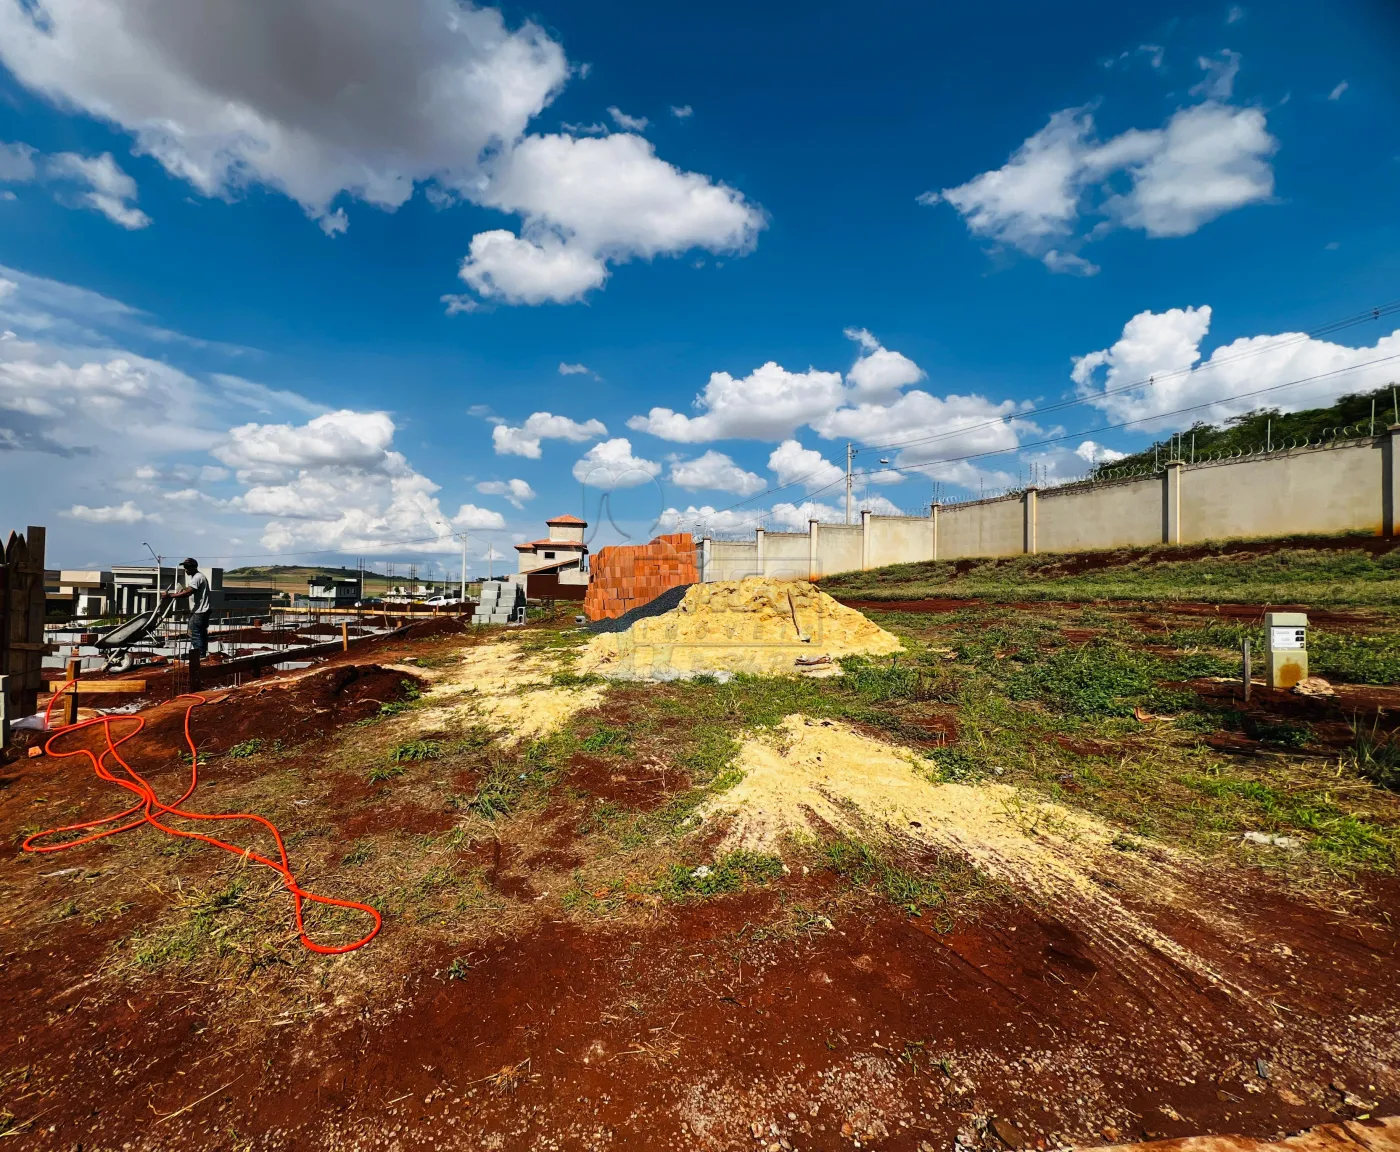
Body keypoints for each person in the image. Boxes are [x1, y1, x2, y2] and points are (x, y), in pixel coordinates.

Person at [163, 557, 211, 660]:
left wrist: (170, 596)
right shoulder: (198, 577)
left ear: (194, 567)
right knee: (200, 632)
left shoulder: (197, 578)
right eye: (185, 567)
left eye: (188, 567)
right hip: (202, 610)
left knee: (194, 631)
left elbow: (189, 592)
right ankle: (201, 653)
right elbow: (189, 590)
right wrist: (182, 590)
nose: (186, 570)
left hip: (199, 610)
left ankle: (200, 655)